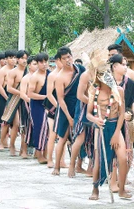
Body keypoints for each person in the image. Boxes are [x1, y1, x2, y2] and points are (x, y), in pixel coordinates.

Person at [86, 49, 130, 200]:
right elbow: (88, 114)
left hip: (116, 127)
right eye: (102, 75)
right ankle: (95, 189)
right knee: (98, 161)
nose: (106, 78)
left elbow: (122, 113)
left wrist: (117, 133)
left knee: (123, 158)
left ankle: (122, 189)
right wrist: (95, 120)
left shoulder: (119, 91)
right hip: (102, 127)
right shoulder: (94, 91)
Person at [52, 46, 85, 176]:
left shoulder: (80, 69)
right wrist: (69, 118)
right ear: (60, 60)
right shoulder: (60, 77)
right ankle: (57, 166)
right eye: (64, 58)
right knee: (63, 138)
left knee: (81, 136)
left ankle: (78, 165)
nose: (68, 60)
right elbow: (60, 99)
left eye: (69, 57)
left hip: (80, 106)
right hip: (66, 108)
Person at [0, 50, 28, 156]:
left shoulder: (29, 72)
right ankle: (8, 144)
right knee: (11, 123)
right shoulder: (13, 72)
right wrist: (21, 93)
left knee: (23, 124)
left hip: (25, 100)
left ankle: (23, 148)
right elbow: (9, 88)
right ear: (18, 59)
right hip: (14, 99)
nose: (24, 60)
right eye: (22, 58)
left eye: (26, 58)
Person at [27, 53, 48, 163]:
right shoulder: (34, 77)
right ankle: (39, 153)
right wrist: (45, 97)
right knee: (39, 128)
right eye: (41, 62)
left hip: (48, 105)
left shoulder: (50, 74)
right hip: (37, 105)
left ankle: (45, 153)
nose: (44, 64)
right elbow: (30, 94)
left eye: (46, 61)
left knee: (48, 129)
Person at [45, 55, 64, 168]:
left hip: (64, 107)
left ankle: (62, 160)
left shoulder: (69, 74)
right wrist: (58, 106)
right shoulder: (52, 75)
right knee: (52, 134)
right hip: (53, 107)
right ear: (57, 61)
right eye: (63, 59)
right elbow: (49, 94)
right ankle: (49, 159)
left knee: (63, 136)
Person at [0, 50, 16, 151]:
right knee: (5, 121)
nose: (13, 60)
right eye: (11, 58)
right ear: (6, 59)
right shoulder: (2, 71)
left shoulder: (17, 70)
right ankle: (1, 142)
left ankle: (10, 143)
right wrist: (6, 98)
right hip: (5, 97)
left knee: (14, 122)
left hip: (15, 97)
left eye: (14, 58)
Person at [19, 55, 38, 158]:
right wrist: (32, 102)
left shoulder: (40, 77)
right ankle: (24, 151)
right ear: (29, 65)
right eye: (34, 64)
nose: (36, 66)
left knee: (37, 128)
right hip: (27, 104)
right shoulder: (26, 78)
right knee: (25, 128)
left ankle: (37, 151)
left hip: (38, 105)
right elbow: (22, 94)